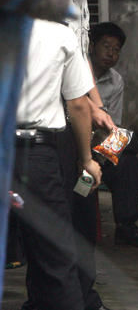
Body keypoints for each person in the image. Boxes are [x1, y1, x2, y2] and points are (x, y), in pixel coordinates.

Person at [44, 0, 115, 310]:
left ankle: (79, 295)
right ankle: (71, 298)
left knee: (84, 209)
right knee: (72, 213)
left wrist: (99, 105)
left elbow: (81, 59)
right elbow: (60, 74)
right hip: (59, 123)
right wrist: (89, 114)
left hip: (80, 116)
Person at [13, 19, 102, 310]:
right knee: (54, 255)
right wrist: (86, 159)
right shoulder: (59, 33)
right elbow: (78, 103)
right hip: (35, 155)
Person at [89, 22, 138, 247]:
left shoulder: (115, 80)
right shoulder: (75, 71)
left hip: (99, 145)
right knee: (130, 144)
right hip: (72, 144)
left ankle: (126, 227)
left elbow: (112, 127)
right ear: (91, 46)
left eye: (116, 49)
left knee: (127, 162)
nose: (111, 53)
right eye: (106, 46)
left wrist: (101, 155)